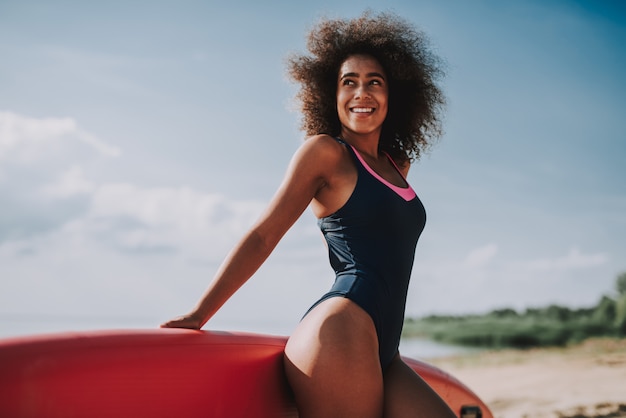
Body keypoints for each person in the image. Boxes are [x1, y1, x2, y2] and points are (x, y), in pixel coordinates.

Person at [161, 11, 455, 418]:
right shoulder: (326, 153)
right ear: (329, 95)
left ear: (395, 95)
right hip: (341, 331)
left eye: (375, 82)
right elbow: (264, 235)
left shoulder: (396, 164)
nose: (361, 93)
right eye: (348, 82)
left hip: (387, 350)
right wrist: (199, 314)